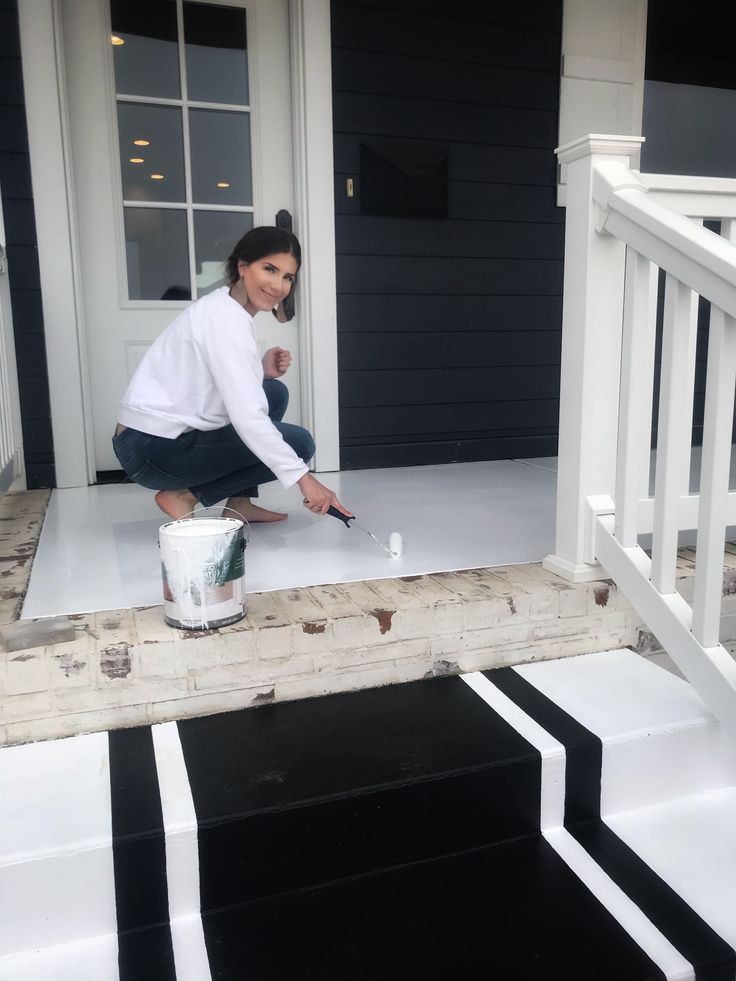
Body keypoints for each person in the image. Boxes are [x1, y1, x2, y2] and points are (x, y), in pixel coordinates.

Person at [112, 225, 352, 525]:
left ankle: (240, 503)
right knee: (300, 444)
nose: (278, 285)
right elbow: (247, 417)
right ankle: (185, 495)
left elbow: (210, 375)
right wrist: (305, 479)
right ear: (242, 266)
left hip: (147, 440)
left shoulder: (224, 306)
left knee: (273, 392)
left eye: (288, 277)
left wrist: (259, 369)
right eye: (270, 269)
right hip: (153, 448)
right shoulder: (225, 319)